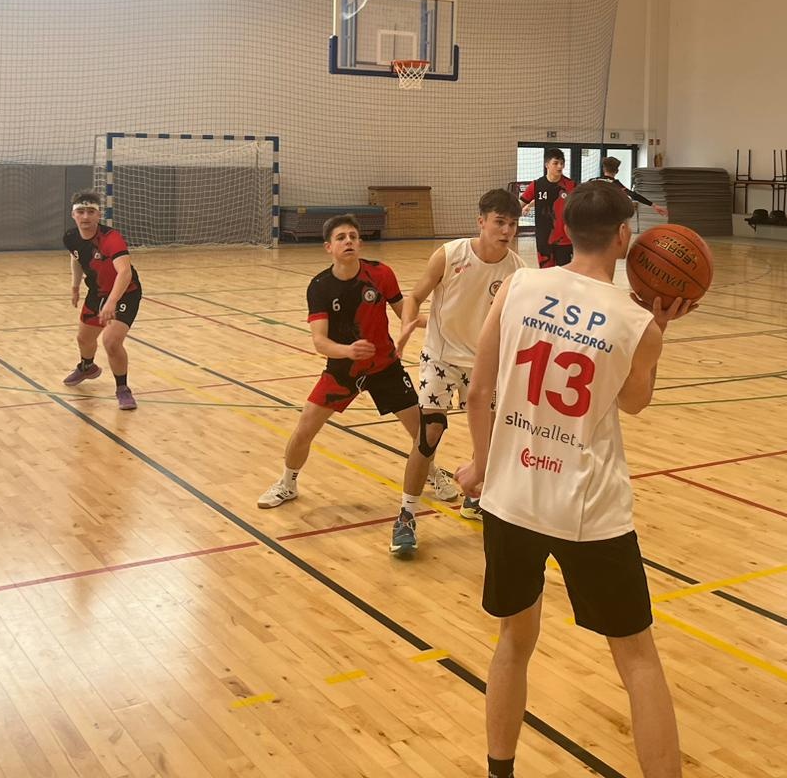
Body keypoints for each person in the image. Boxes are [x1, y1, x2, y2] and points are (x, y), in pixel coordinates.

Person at [456, 181, 693, 778]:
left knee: (513, 643)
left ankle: (500, 772)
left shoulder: (518, 286)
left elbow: (479, 392)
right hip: (590, 510)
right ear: (624, 235)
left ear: (563, 229)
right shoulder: (636, 320)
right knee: (638, 660)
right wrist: (658, 332)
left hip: (511, 498)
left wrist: (481, 467)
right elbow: (635, 401)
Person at [258, 215, 432, 557]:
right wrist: (348, 351)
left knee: (423, 433)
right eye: (341, 237)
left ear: (360, 243)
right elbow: (319, 342)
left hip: (385, 367)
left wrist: (440, 322)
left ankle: (432, 474)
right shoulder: (320, 287)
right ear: (329, 247)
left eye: (353, 236)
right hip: (343, 369)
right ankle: (288, 483)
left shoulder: (381, 274)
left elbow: (406, 314)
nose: (349, 241)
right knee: (304, 428)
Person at [396, 189, 526, 520]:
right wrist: (408, 322)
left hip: (484, 364)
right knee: (429, 434)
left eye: (513, 224)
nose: (507, 231)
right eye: (499, 222)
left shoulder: (518, 271)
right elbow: (414, 296)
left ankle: (474, 498)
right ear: (481, 221)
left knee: (487, 440)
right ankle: (407, 515)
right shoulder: (450, 254)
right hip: (440, 357)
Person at [62, 190, 140, 410]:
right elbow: (76, 258)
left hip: (125, 292)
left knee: (111, 342)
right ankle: (87, 367)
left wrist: (112, 302)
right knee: (84, 339)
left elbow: (124, 272)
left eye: (91, 212)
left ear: (99, 215)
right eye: (80, 212)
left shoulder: (111, 239)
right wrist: (75, 286)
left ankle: (123, 389)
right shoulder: (70, 237)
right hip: (97, 292)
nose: (85, 216)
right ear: (73, 215)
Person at [519, 148, 576, 268]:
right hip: (544, 238)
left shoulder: (571, 185)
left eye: (562, 163)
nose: (560, 166)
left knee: (564, 273)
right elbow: (519, 204)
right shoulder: (536, 185)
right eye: (556, 163)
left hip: (565, 239)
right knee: (546, 272)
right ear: (547, 165)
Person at [599, 156, 666, 219]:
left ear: (603, 169)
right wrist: (654, 205)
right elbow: (633, 195)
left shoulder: (594, 181)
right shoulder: (614, 183)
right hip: (607, 215)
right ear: (617, 171)